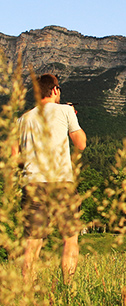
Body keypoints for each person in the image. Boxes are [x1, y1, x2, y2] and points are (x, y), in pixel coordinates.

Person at [13, 73, 87, 284]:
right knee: (70, 239)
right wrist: (73, 115)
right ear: (55, 90)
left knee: (32, 244)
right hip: (61, 183)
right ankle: (68, 288)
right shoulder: (65, 110)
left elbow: (14, 158)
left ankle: (28, 292)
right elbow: (80, 144)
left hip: (33, 185)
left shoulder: (22, 120)